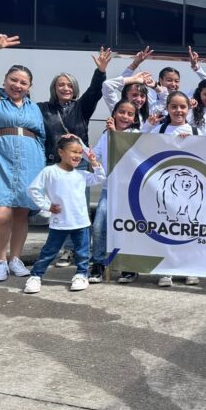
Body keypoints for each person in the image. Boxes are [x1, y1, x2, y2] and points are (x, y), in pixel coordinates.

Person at [0, 34, 46, 282]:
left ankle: (16, 259)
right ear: (5, 80)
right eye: (14, 80)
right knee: (2, 214)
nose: (18, 85)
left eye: (24, 82)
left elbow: (41, 136)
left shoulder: (33, 107)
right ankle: (0, 261)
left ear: (30, 87)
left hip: (30, 162)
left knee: (22, 213)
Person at [39, 47, 112, 268]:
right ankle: (67, 249)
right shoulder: (43, 109)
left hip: (77, 164)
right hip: (54, 162)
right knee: (60, 207)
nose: (65, 88)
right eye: (61, 84)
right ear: (54, 88)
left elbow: (95, 91)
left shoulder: (82, 107)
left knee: (77, 207)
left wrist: (100, 71)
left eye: (69, 85)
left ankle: (75, 250)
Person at [24, 135, 106, 294]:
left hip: (81, 223)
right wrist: (46, 205)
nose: (77, 155)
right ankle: (36, 276)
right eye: (73, 151)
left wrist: (94, 162)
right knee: (49, 251)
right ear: (61, 152)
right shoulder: (49, 172)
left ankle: (81, 274)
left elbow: (100, 178)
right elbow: (32, 189)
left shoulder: (81, 175)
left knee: (83, 253)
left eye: (80, 153)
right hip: (59, 223)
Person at [141, 91, 200, 287]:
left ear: (189, 109)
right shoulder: (159, 129)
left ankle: (189, 268)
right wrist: (149, 124)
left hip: (188, 195)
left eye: (182, 107)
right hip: (164, 190)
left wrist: (191, 142)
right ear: (167, 108)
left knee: (187, 231)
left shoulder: (196, 131)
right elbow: (137, 143)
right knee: (166, 230)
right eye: (174, 106)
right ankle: (165, 270)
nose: (178, 110)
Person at [88, 100, 139, 283]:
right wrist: (81, 148)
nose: (125, 116)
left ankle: (128, 265)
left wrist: (115, 134)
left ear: (134, 118)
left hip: (129, 192)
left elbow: (126, 152)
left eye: (129, 114)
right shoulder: (105, 135)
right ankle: (98, 264)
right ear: (114, 113)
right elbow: (97, 156)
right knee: (99, 226)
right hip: (108, 190)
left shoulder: (136, 134)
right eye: (121, 112)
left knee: (127, 228)